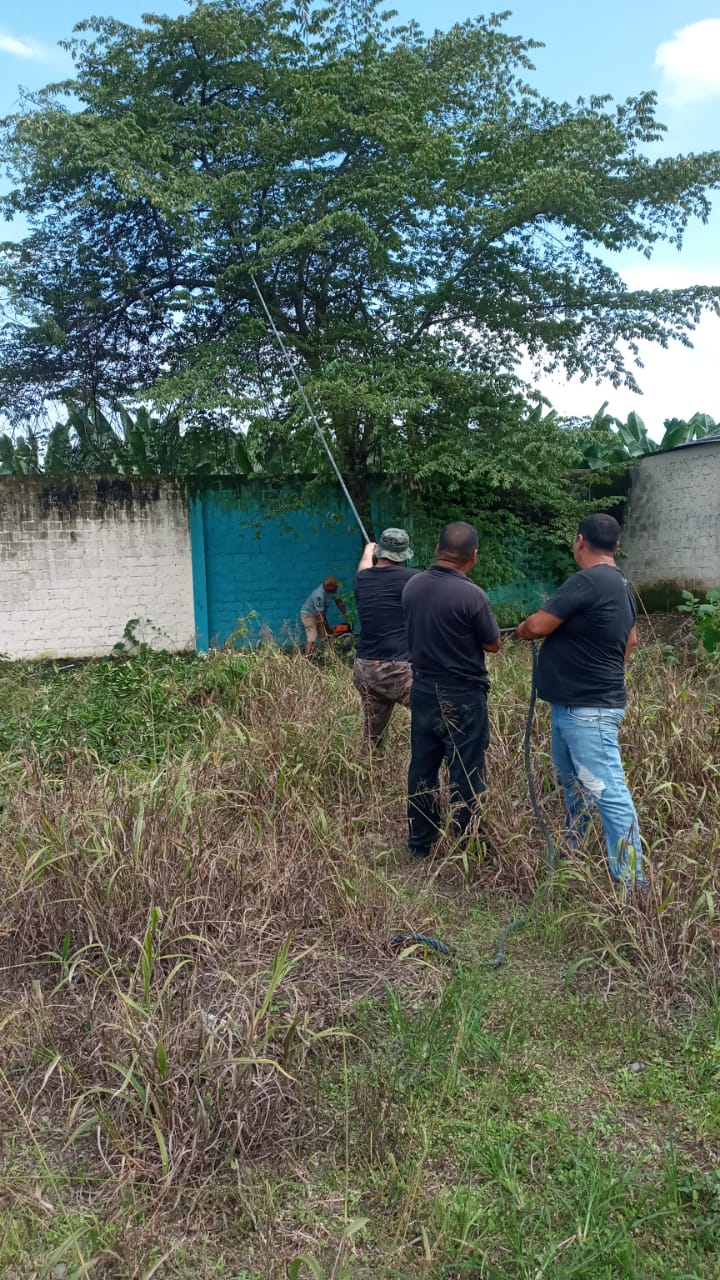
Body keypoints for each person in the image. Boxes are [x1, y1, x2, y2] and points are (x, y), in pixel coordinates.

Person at [515, 512, 643, 886]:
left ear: (580, 541)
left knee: (609, 791)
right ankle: (575, 850)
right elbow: (631, 641)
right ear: (616, 546)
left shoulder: (588, 580)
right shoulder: (621, 584)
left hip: (588, 710)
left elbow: (538, 625)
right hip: (575, 706)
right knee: (574, 783)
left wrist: (523, 628)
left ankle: (632, 884)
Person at [401, 522, 501, 860]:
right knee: (466, 771)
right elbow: (493, 644)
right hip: (463, 695)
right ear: (474, 556)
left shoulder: (413, 586)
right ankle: (468, 845)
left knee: (422, 767)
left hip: (422, 690)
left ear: (437, 550)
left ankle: (421, 844)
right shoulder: (472, 595)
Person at [352, 528, 419, 748]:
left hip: (365, 669)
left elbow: (363, 568)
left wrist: (367, 551)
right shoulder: (414, 579)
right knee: (441, 714)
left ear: (380, 551)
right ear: (404, 554)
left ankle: (370, 767)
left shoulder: (362, 579)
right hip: (395, 668)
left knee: (373, 737)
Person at [300, 576, 348, 658]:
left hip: (319, 614)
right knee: (312, 637)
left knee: (326, 637)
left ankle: (330, 657)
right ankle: (307, 660)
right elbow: (322, 616)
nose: (336, 588)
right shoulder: (319, 595)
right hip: (308, 615)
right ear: (328, 586)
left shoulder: (333, 590)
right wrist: (328, 630)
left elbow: (339, 602)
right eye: (335, 586)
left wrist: (346, 616)